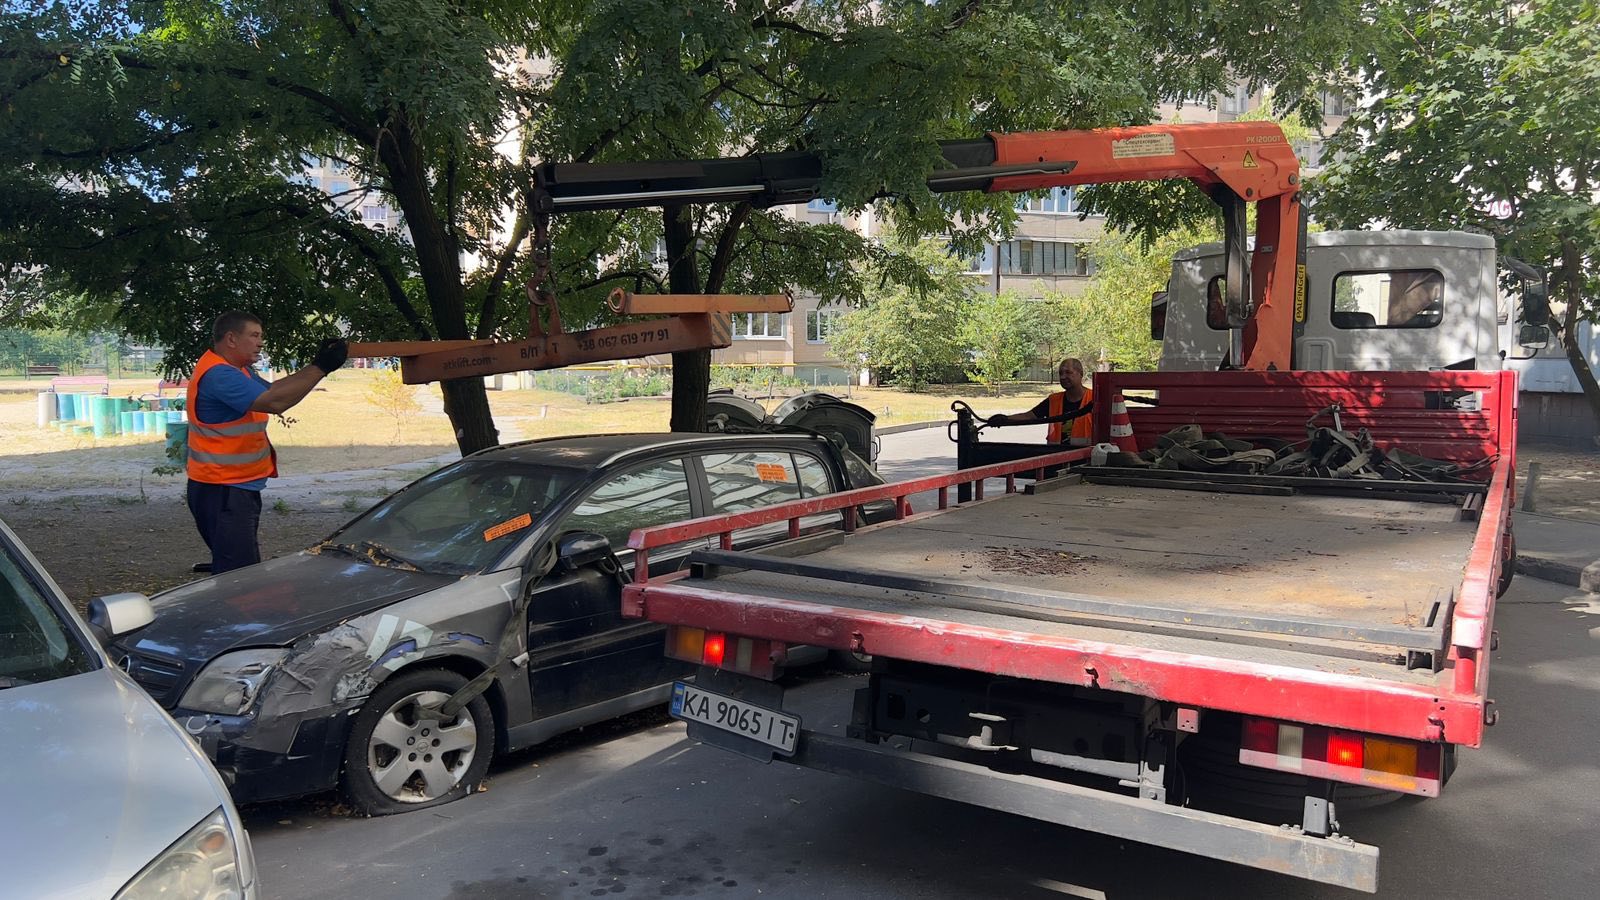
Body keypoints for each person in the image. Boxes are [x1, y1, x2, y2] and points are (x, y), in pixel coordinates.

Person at [186, 311, 348, 574]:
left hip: (230, 486)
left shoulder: (237, 370)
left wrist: (316, 365)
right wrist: (321, 368)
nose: (260, 342)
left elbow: (273, 390)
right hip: (224, 488)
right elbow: (275, 402)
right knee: (239, 575)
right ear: (231, 339)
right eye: (254, 335)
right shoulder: (220, 375)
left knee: (236, 566)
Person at [986, 357, 1094, 446]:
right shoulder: (1053, 400)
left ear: (1081, 374)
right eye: (1060, 373)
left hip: (1086, 459)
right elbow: (1029, 416)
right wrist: (1005, 419)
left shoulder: (1095, 399)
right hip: (1056, 457)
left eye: (1068, 372)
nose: (1063, 377)